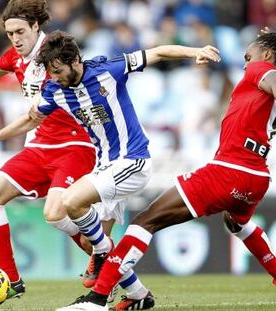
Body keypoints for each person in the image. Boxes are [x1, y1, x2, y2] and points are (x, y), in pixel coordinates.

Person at [55, 25, 276, 311]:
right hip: (256, 179)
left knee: (145, 221)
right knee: (236, 223)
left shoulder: (262, 71)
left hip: (229, 171)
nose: (245, 61)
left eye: (249, 55)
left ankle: (98, 299)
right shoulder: (271, 85)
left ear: (266, 54)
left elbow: (275, 82)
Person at [0, 1, 154, 307]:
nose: (15, 39)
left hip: (76, 146)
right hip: (38, 146)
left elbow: (84, 81)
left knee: (75, 227)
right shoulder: (16, 57)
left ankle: (121, 279)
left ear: (37, 27)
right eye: (9, 34)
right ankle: (11, 280)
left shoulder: (55, 54)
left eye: (20, 31)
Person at [22, 31, 220, 310]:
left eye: (57, 71)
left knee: (70, 202)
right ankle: (139, 295)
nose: (53, 78)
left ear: (75, 61)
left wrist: (194, 51)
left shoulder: (108, 70)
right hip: (104, 168)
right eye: (50, 73)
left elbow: (158, 52)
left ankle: (98, 288)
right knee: (95, 240)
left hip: (132, 162)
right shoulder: (55, 91)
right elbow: (32, 117)